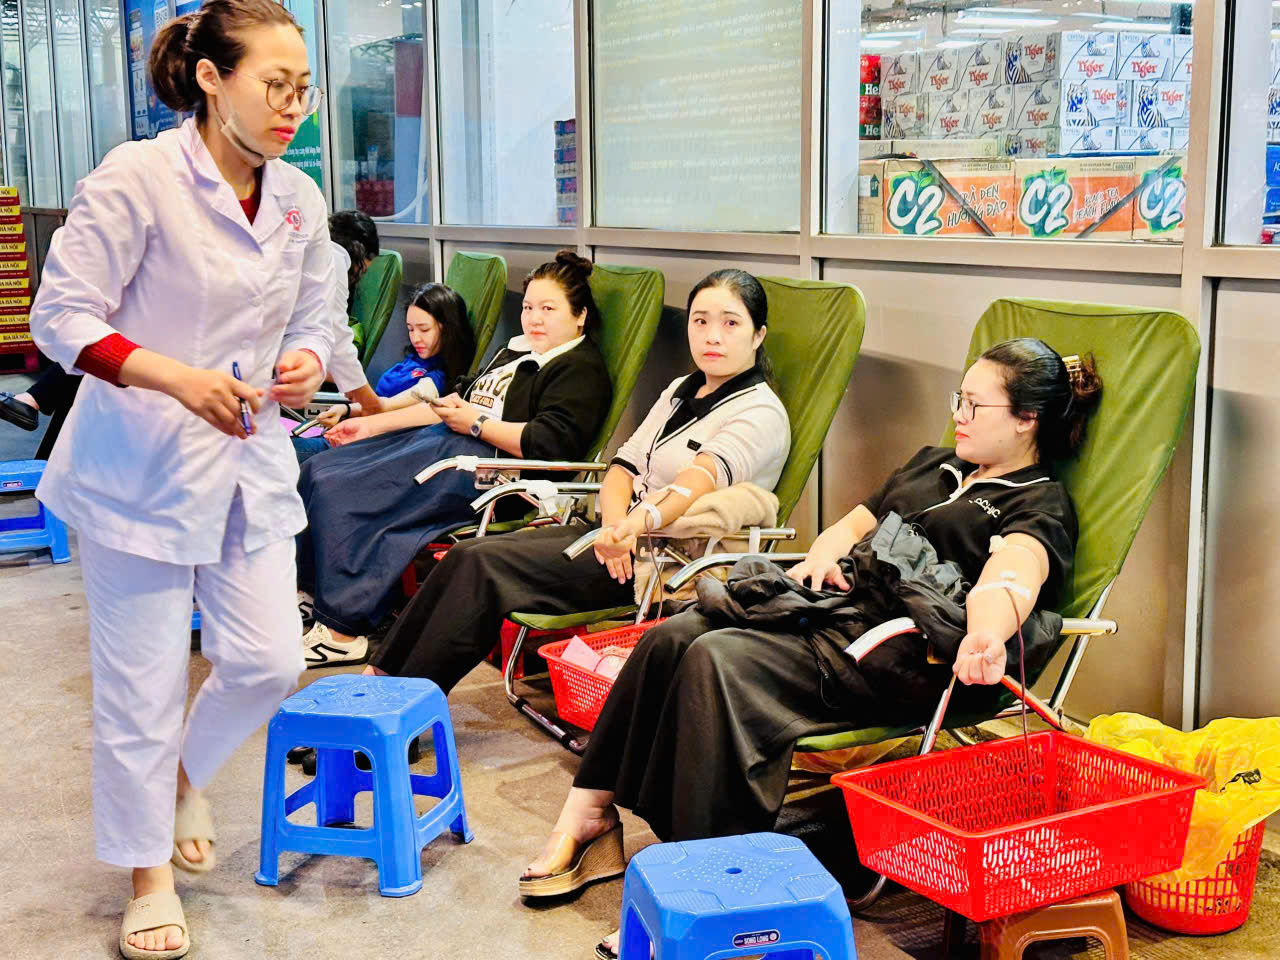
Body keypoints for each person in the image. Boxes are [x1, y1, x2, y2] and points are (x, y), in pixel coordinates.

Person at [520, 338, 1103, 959]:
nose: (958, 414)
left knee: (720, 664)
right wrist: (822, 555)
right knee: (673, 636)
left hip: (905, 656)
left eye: (974, 405)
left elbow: (1012, 576)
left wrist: (986, 632)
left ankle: (706, 898)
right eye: (958, 398)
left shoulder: (1037, 501)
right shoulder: (935, 464)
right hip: (837, 613)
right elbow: (854, 525)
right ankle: (588, 817)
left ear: (1026, 419)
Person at [28, 2, 334, 956]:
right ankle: (148, 877)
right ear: (211, 78)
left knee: (269, 659)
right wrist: (176, 377)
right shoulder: (139, 177)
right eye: (273, 85)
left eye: (303, 89)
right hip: (140, 467)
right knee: (142, 685)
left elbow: (316, 318)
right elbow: (61, 317)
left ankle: (178, 781)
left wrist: (308, 362)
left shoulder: (298, 197)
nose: (292, 107)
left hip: (249, 457)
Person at [359, 268, 791, 695]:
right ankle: (377, 679)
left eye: (730, 324)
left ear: (758, 335)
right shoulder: (682, 388)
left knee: (484, 569)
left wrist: (631, 528)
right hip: (616, 536)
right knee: (465, 554)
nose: (712, 336)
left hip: (663, 559)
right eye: (700, 321)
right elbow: (622, 467)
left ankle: (402, 702)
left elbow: (696, 482)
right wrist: (614, 526)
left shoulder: (759, 412)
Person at [296, 250, 611, 666]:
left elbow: (549, 443)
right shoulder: (516, 351)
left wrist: (477, 424)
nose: (534, 319)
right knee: (319, 469)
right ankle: (314, 594)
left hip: (491, 472)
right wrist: (370, 424)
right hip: (447, 441)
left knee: (347, 490)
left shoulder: (578, 368)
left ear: (580, 316)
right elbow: (451, 405)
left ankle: (343, 628)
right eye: (528, 307)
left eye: (548, 309)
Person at [291, 281, 474, 463]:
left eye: (424, 329)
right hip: (351, 435)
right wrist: (345, 409)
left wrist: (351, 404)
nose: (415, 338)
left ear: (447, 329)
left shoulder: (436, 380)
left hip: (368, 449)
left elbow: (385, 407)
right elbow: (378, 406)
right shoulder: (414, 361)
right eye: (410, 329)